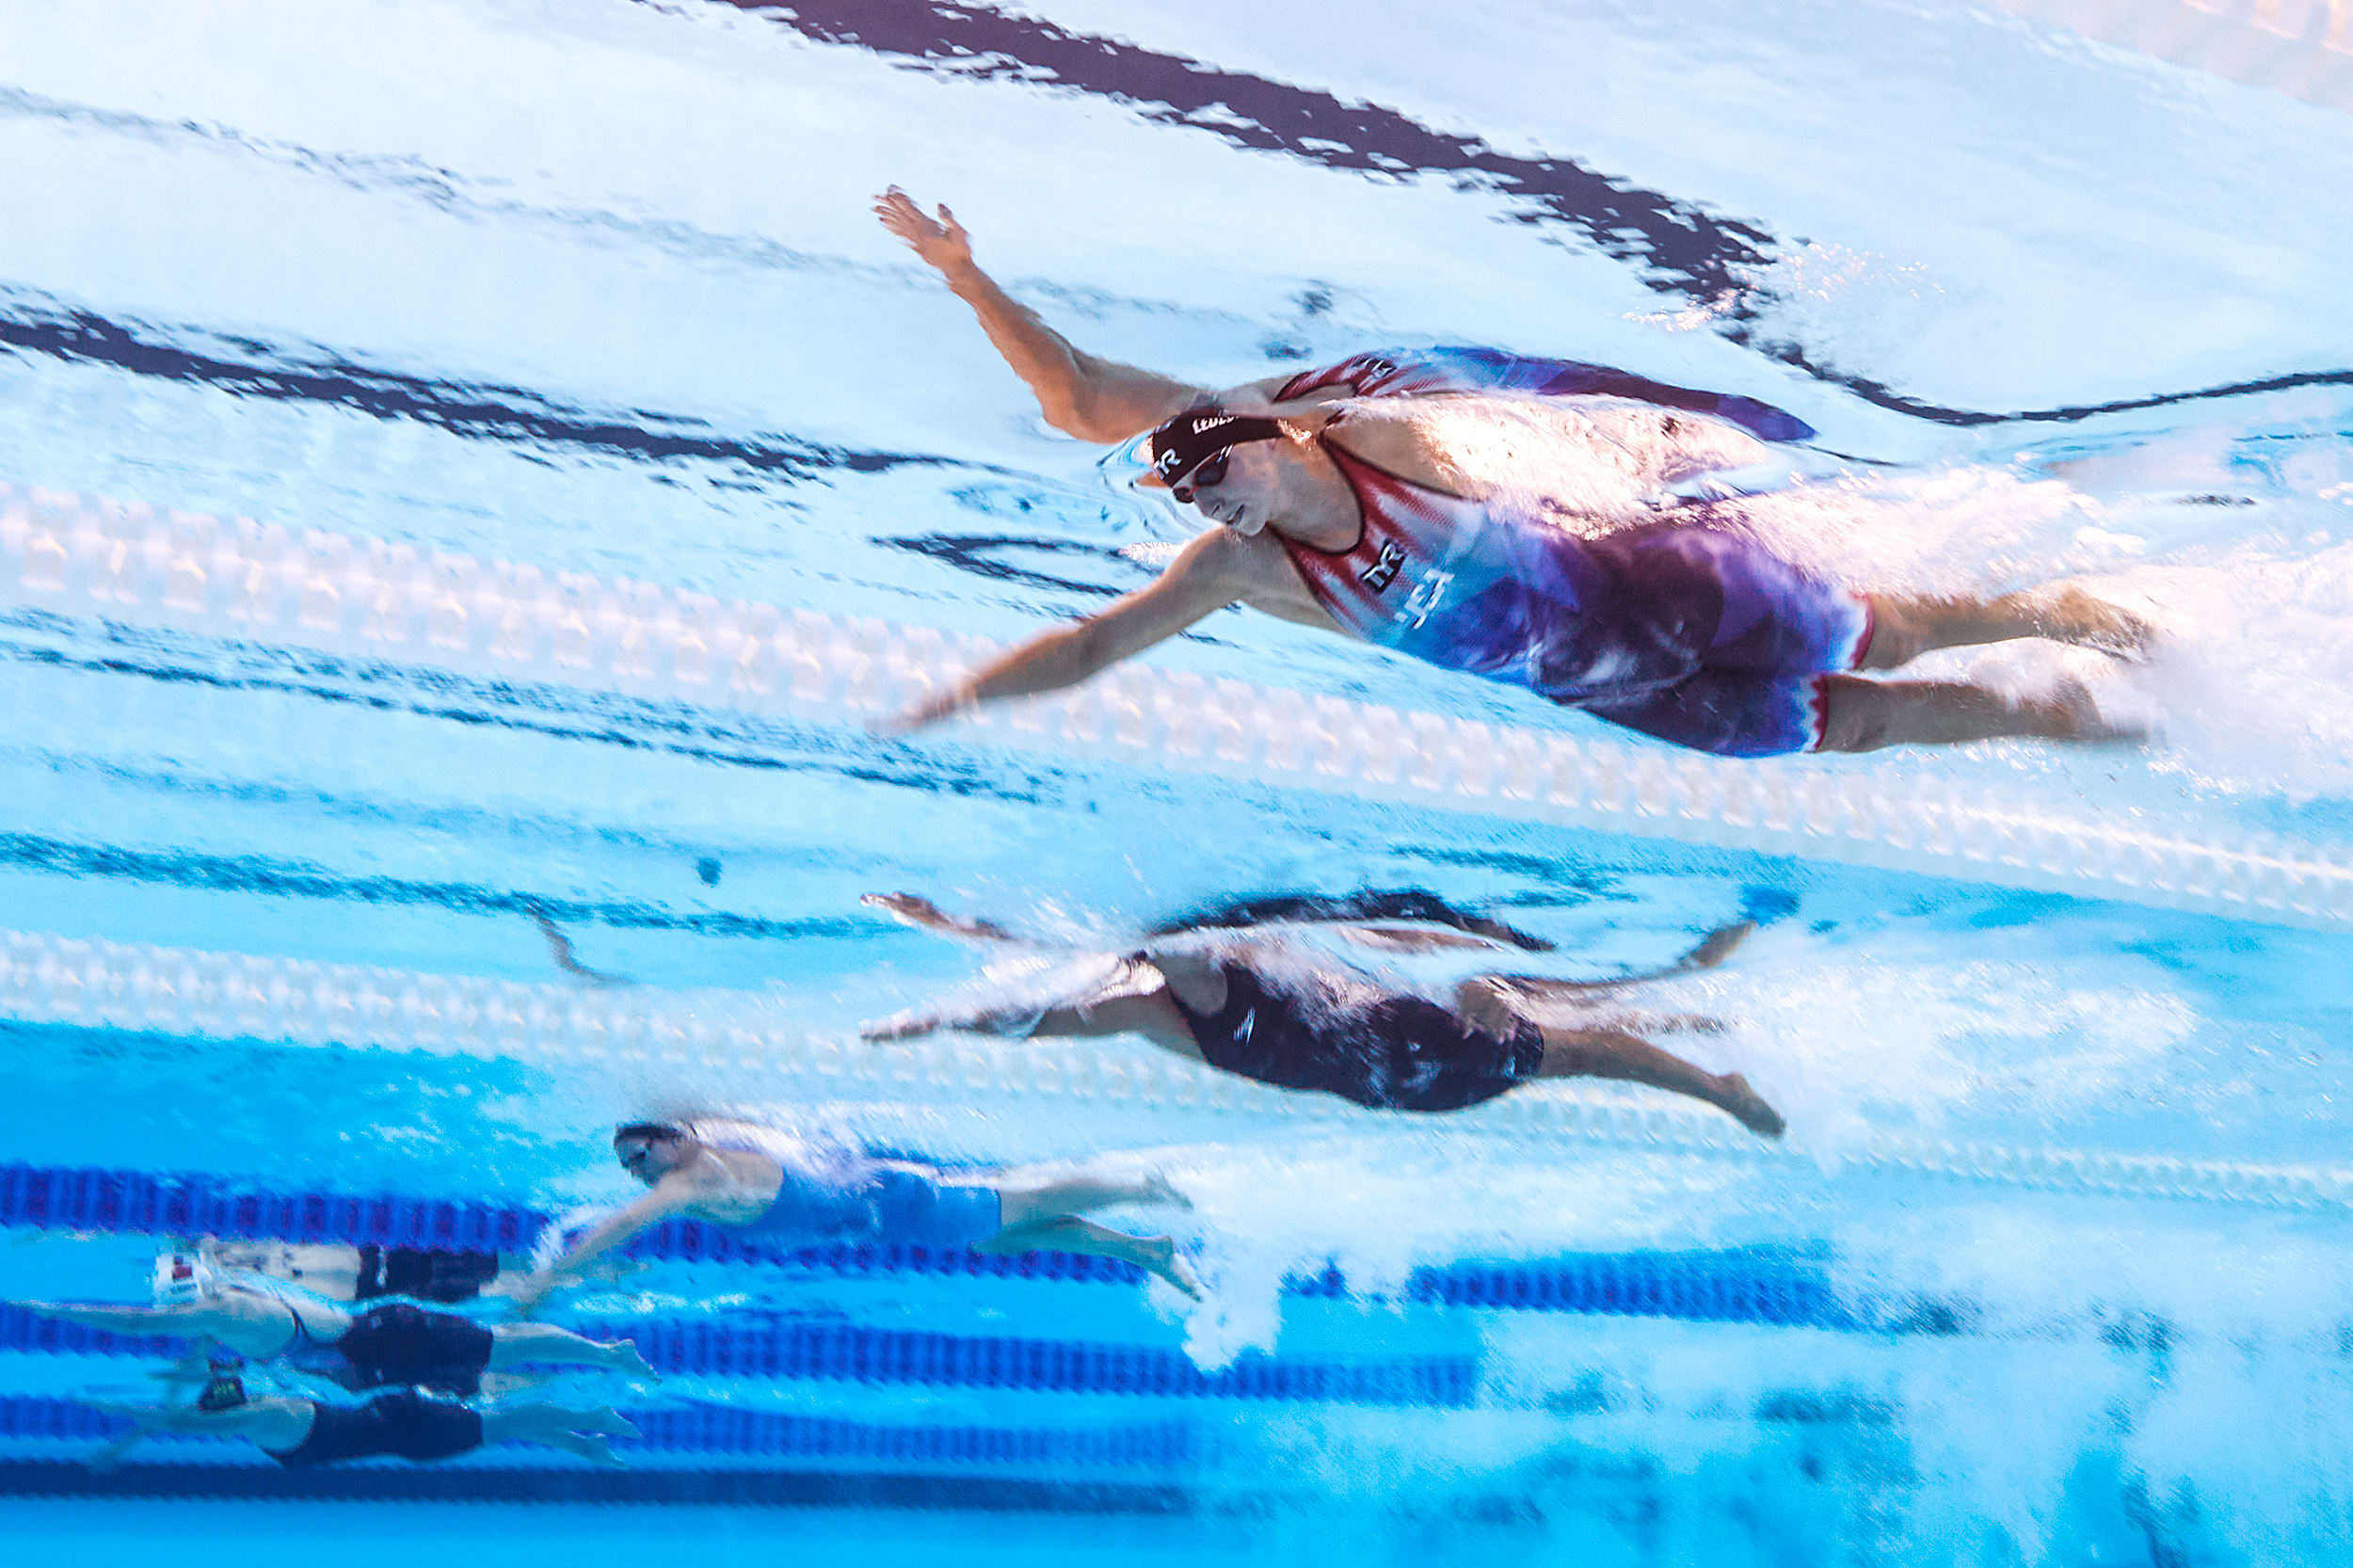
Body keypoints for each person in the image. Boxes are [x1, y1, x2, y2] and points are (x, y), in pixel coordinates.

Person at [874, 188, 2150, 758]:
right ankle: (2065, 718)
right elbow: (1092, 646)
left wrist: (963, 274)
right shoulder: (1239, 568)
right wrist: (943, 705)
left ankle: (2084, 615)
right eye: (1193, 500)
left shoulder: (1368, 431)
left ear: (1266, 432)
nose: (1206, 502)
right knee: (1856, 725)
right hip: (1600, 682)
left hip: (1657, 578)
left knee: (1904, 629)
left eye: (1211, 472)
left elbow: (1084, 395)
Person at [858, 891, 1784, 1137]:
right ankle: (1712, 1062)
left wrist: (941, 935)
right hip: (1421, 1069)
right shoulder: (1142, 1011)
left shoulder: (1172, 988)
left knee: (1559, 1021)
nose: (1186, 953)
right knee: (1560, 1033)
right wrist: (927, 1023)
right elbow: (1033, 1014)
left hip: (1396, 1068)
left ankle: (1683, 1010)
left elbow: (1037, 982)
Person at [505, 1117, 1199, 1309]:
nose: (638, 1170)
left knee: (1025, 1207)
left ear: (674, 1140)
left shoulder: (694, 1181)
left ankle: (1147, 1189)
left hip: (896, 1204)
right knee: (999, 1240)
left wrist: (546, 1279)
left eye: (641, 1154)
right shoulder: (708, 1139)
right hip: (880, 1206)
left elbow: (624, 1224)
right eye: (628, 1164)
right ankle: (1147, 1248)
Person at [17, 1269, 650, 1396]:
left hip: (382, 1339)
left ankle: (606, 1352)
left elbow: (134, 1324)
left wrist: (56, 1309)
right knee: (493, 1358)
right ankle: (600, 1356)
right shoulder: (226, 1301)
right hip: (376, 1340)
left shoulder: (219, 1313)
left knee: (504, 1348)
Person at [85, 1365, 632, 1470]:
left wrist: (125, 1421)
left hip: (409, 1429)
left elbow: (185, 1420)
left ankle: (591, 1416)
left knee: (508, 1422)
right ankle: (587, 1441)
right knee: (506, 1422)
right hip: (399, 1422)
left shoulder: (265, 1417)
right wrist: (123, 1435)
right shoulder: (260, 1405)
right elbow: (190, 1410)